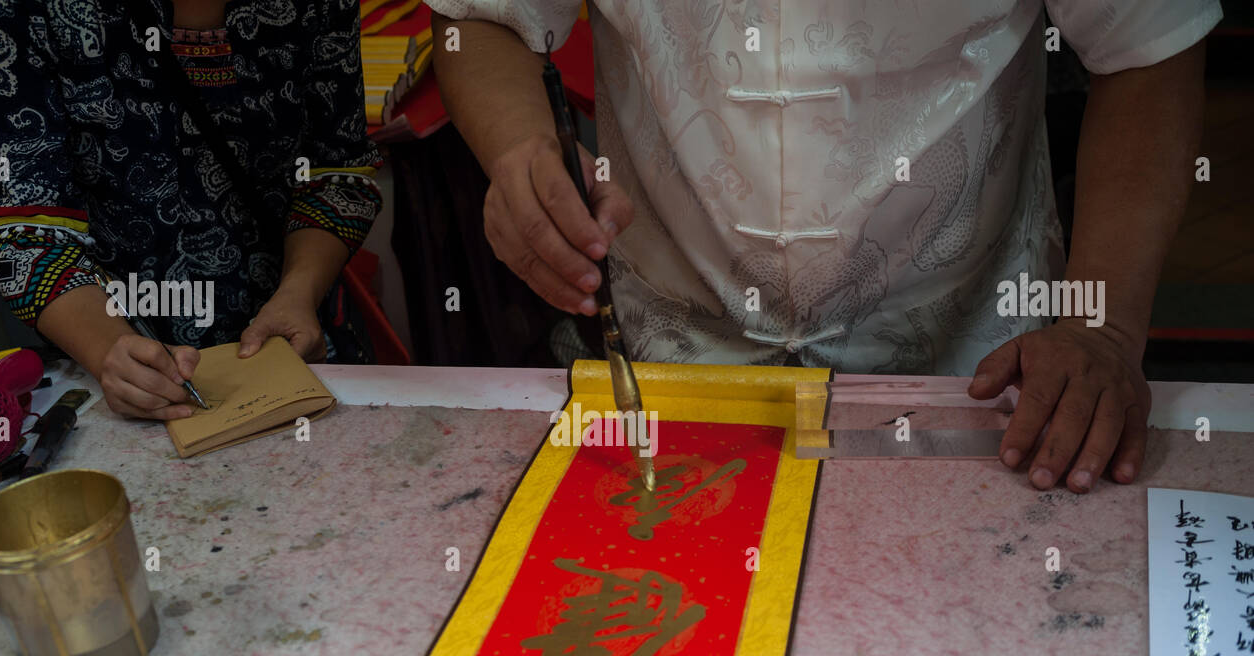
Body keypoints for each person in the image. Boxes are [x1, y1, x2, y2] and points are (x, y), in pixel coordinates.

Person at [431, 0, 1220, 492]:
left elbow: (1148, 45)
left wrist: (1102, 327)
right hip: (669, 362)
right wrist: (517, 151)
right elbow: (480, 18)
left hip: (979, 377)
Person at [0, 0, 383, 420]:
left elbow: (336, 171)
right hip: (110, 353)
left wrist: (299, 292)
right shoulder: (19, 6)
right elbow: (22, 227)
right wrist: (109, 350)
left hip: (291, 348)